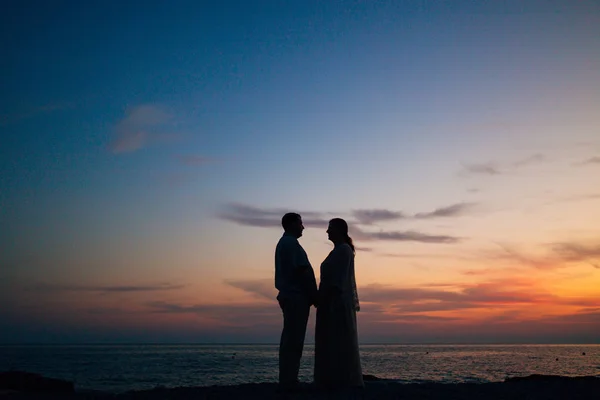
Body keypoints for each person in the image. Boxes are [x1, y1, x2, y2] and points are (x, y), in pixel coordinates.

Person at [314, 218, 364, 389]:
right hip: (329, 302)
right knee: (332, 341)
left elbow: (338, 281)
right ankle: (333, 377)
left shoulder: (343, 251)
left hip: (335, 304)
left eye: (330, 228)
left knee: (338, 340)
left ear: (339, 230)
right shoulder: (338, 250)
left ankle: (341, 378)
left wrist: (322, 298)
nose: (327, 232)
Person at [275, 212, 318, 391]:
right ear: (292, 224)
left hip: (292, 295)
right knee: (294, 338)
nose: (303, 227)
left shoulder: (286, 243)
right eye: (301, 223)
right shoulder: (290, 243)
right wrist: (314, 294)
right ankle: (289, 379)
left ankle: (288, 377)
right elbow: (302, 271)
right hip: (295, 296)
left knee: (291, 337)